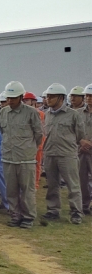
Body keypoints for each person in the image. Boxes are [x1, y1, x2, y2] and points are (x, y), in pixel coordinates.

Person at [0, 81, 43, 229]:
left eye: (13, 98)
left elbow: (38, 134)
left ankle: (28, 217)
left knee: (27, 190)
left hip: (26, 159)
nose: (10, 100)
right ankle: (15, 215)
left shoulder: (31, 113)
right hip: (8, 158)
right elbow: (3, 131)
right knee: (11, 190)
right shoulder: (3, 113)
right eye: (8, 98)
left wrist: (29, 149)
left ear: (21, 97)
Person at [41, 83, 86, 224]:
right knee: (52, 184)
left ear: (61, 98)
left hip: (67, 154)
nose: (48, 99)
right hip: (50, 154)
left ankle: (76, 212)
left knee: (73, 185)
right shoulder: (47, 115)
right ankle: (53, 210)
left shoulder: (73, 115)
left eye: (52, 96)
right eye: (47, 96)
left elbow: (80, 135)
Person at [79, 84, 92, 216]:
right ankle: (84, 205)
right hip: (81, 151)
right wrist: (81, 141)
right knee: (81, 179)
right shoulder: (78, 113)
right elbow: (73, 130)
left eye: (91, 96)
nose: (88, 98)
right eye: (87, 95)